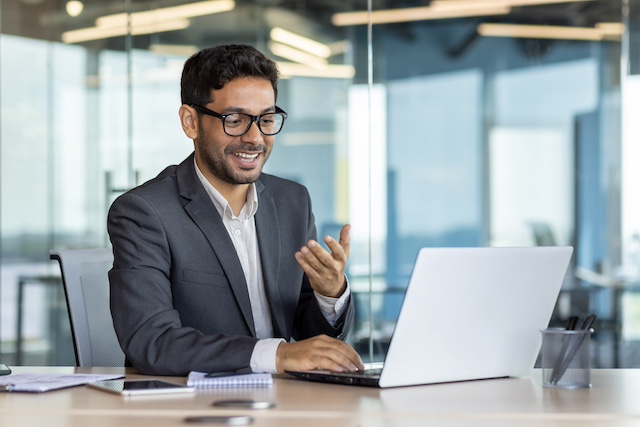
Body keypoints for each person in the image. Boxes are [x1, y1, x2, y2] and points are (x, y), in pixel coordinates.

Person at [107, 44, 364, 376]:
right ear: (190, 122)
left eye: (266, 119)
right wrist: (278, 356)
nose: (255, 137)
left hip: (285, 403)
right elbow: (152, 342)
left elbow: (309, 336)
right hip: (191, 410)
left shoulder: (292, 202)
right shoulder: (144, 212)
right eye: (236, 119)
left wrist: (330, 294)